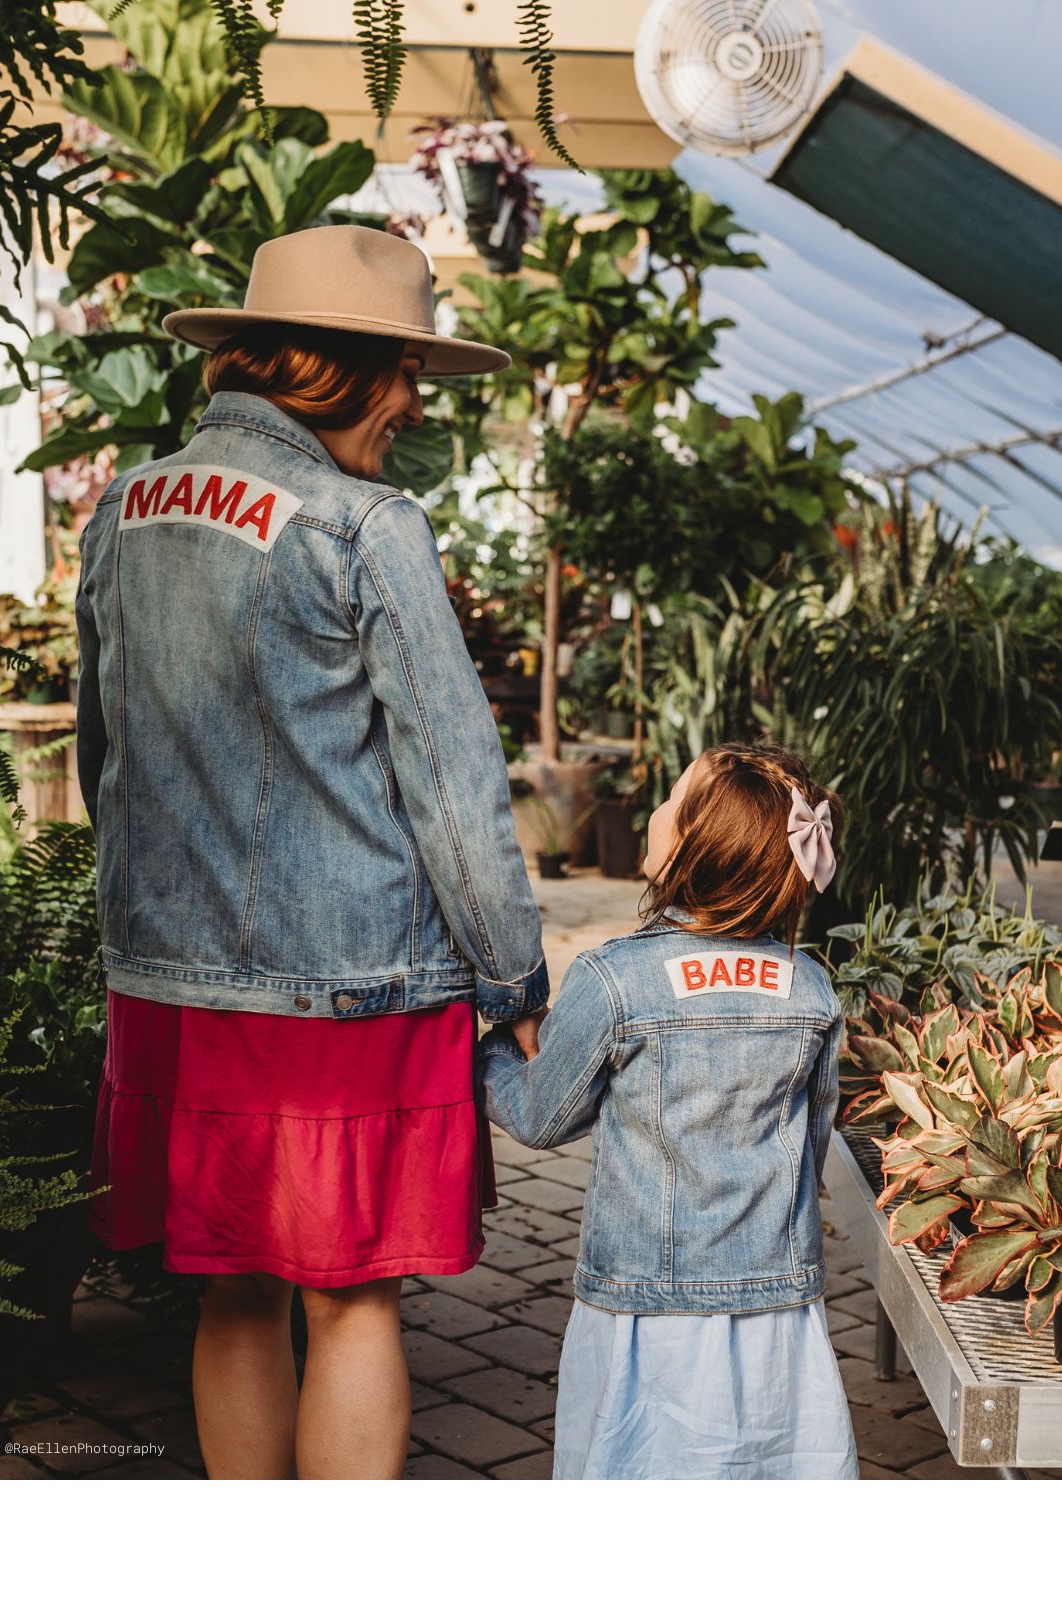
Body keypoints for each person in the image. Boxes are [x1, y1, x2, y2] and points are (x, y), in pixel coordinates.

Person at [74, 226, 548, 1480]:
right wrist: (515, 977)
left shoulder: (126, 507)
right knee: (352, 1302)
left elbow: (100, 755)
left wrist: (141, 933)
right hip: (349, 991)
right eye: (398, 369)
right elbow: (451, 783)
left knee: (231, 1291)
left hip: (169, 985)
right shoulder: (367, 523)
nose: (409, 401)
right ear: (326, 366)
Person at [481, 742, 858, 1480]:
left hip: (644, 1310)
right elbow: (813, 1139)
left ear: (689, 843)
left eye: (671, 796)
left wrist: (493, 1045)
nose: (652, 807)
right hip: (776, 1303)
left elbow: (540, 1117)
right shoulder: (812, 988)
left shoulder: (614, 979)